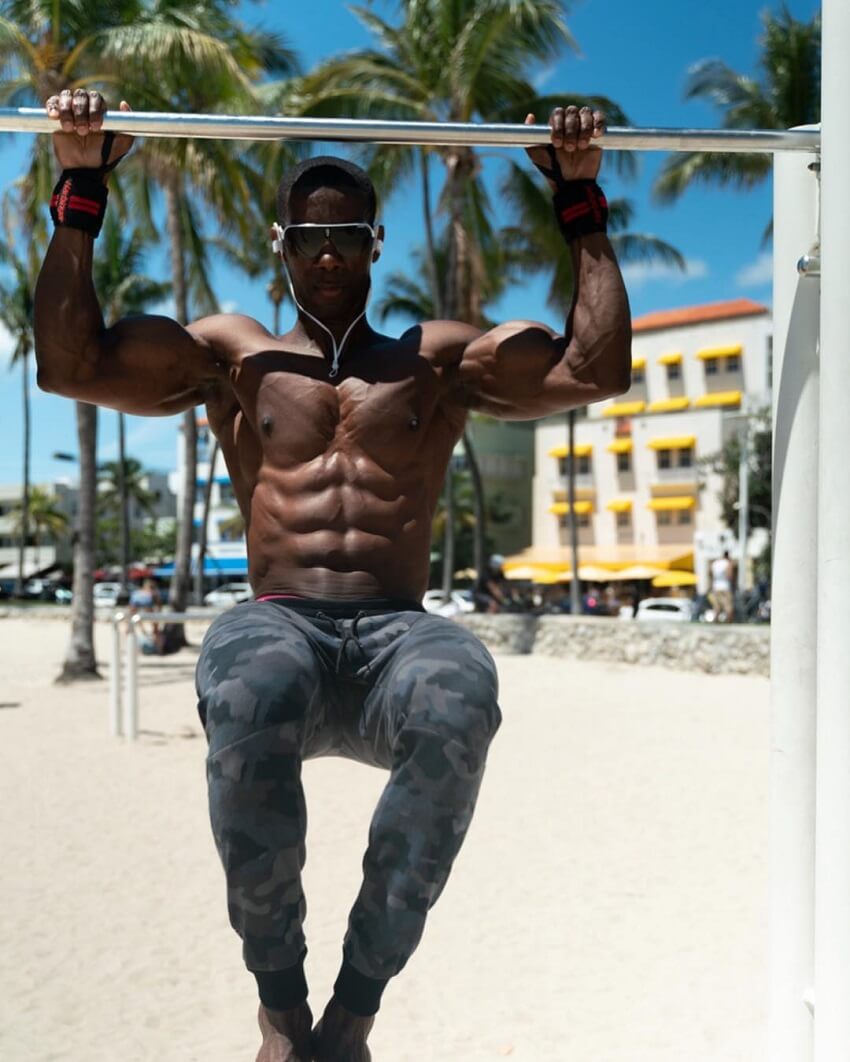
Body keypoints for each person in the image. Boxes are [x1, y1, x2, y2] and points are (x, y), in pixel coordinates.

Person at [34, 87, 631, 1062]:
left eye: (345, 236)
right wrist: (83, 185)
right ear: (279, 243)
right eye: (308, 238)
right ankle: (279, 1006)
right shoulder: (233, 355)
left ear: (375, 242)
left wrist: (580, 205)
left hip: (399, 629)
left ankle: (351, 1013)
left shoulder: (431, 361)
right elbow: (68, 365)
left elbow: (592, 370)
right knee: (249, 678)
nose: (325, 254)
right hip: (281, 623)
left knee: (462, 694)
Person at [710, 550, 736, 623]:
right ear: (727, 556)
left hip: (716, 587)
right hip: (725, 586)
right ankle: (729, 621)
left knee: (716, 605)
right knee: (728, 605)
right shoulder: (728, 563)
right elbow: (729, 575)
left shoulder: (715, 563)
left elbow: (711, 575)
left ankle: (716, 620)